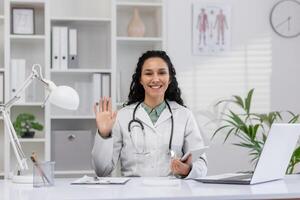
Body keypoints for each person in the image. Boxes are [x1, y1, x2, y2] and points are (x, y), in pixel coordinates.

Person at [92, 50, 207, 178]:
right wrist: (104, 134)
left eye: (162, 73)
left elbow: (201, 163)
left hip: (173, 193)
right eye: (148, 73)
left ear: (169, 79)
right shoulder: (123, 116)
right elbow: (101, 171)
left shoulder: (184, 115)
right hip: (133, 194)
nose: (155, 79)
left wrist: (187, 170)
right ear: (140, 79)